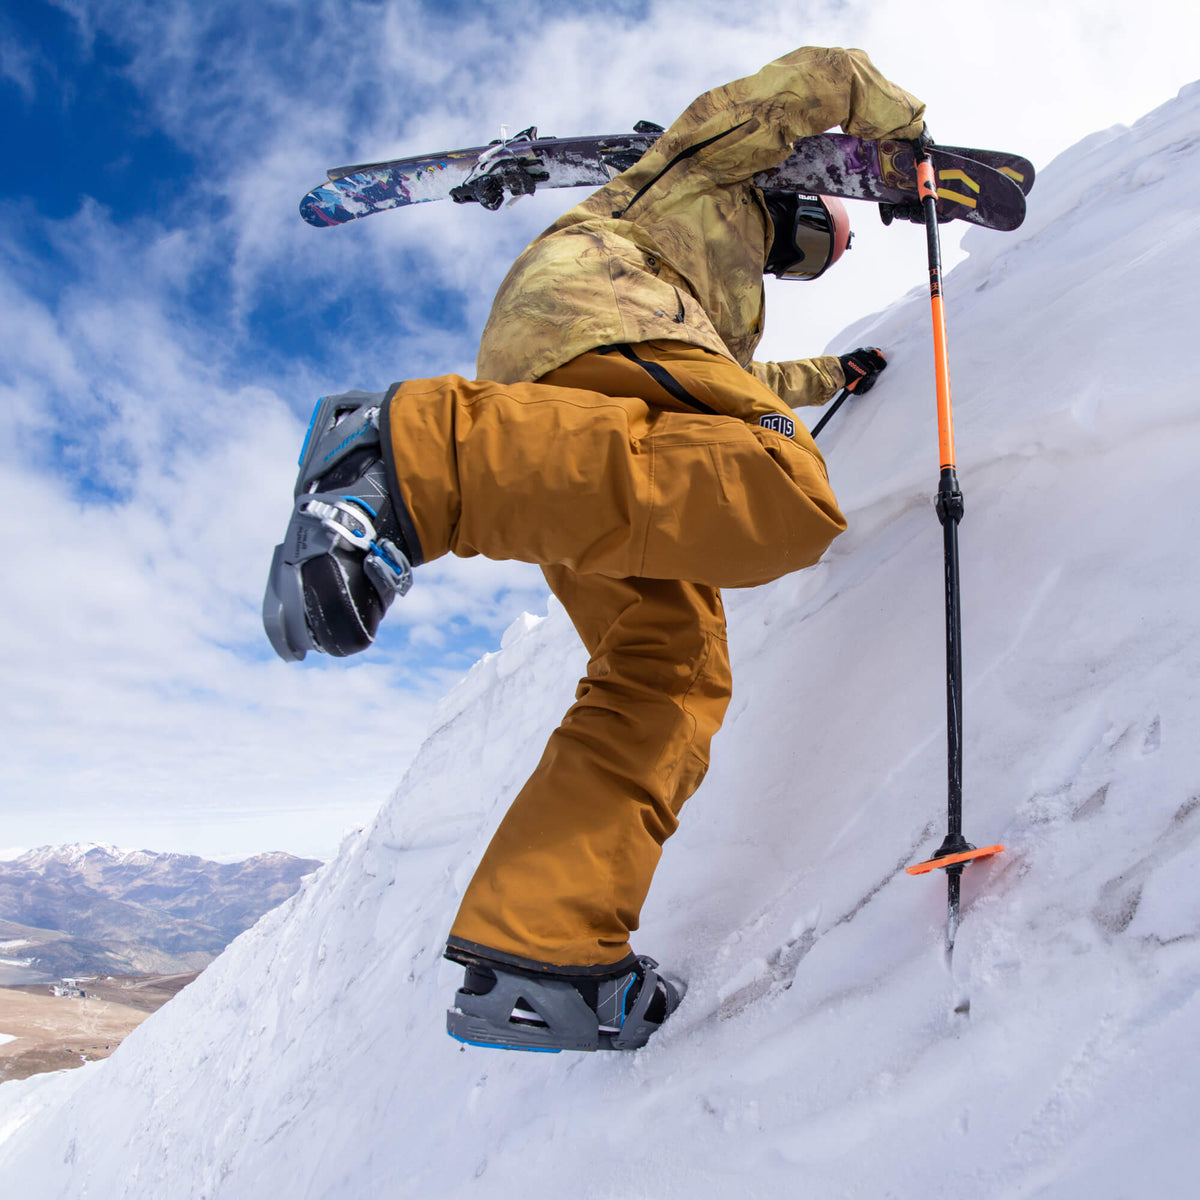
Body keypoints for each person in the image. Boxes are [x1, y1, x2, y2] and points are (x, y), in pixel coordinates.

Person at [263, 45, 924, 1052]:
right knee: (781, 491)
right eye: (816, 242)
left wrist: (839, 370)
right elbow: (819, 75)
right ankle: (408, 458)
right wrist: (905, 136)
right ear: (794, 198)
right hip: (597, 326)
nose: (809, 264)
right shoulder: (704, 171)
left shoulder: (725, 295)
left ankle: (544, 948)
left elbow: (732, 374)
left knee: (669, 668)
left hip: (587, 416)